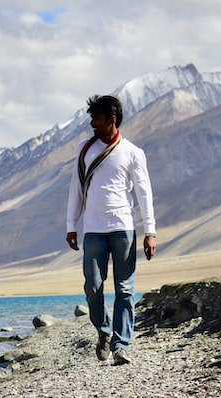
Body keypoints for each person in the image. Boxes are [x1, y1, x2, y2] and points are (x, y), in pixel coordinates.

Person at [65, 94, 156, 365]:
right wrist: (71, 225)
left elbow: (144, 193)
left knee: (125, 290)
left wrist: (150, 231)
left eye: (98, 118)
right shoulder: (85, 149)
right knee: (93, 286)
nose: (92, 123)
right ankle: (103, 331)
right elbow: (75, 189)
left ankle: (121, 345)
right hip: (93, 230)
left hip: (123, 229)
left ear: (112, 120)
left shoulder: (132, 153)